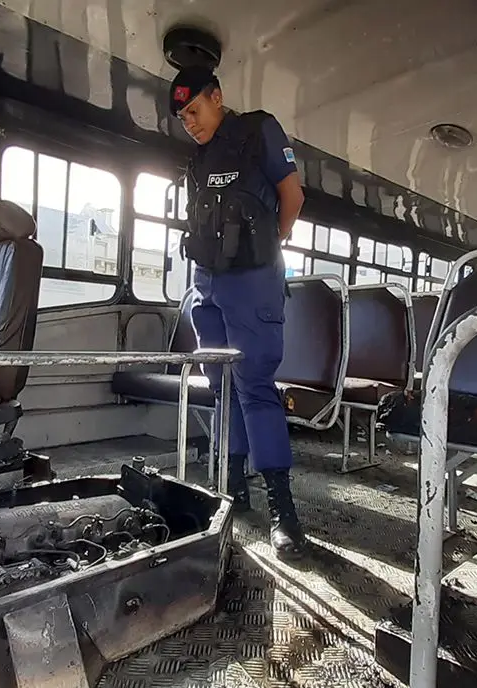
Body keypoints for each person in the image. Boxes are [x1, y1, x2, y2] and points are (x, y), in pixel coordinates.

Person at [170, 65, 307, 559]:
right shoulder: (197, 159)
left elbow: (292, 196)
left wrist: (268, 248)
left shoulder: (257, 130)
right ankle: (233, 485)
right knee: (220, 385)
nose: (189, 122)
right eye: (182, 117)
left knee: (254, 386)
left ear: (217, 97)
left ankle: (282, 511)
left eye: (194, 110)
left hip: (252, 281)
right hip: (207, 284)